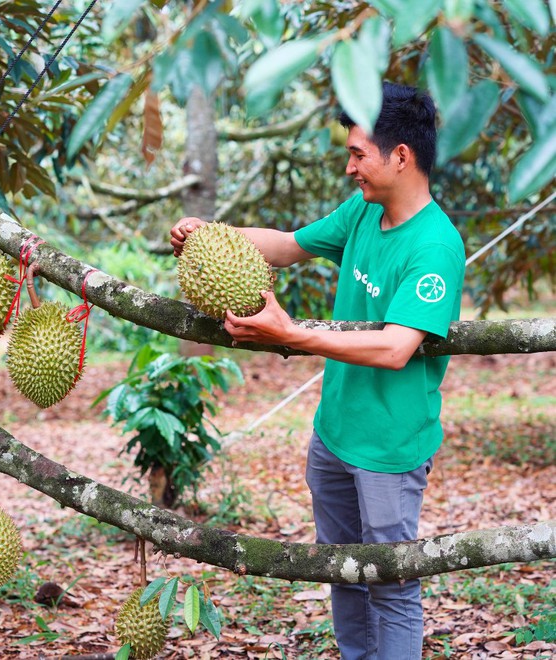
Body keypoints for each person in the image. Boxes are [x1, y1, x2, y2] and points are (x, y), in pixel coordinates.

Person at [170, 82, 465, 660]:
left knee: (391, 584)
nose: (350, 166)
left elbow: (395, 349)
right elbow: (284, 245)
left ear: (400, 156)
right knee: (345, 573)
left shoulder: (435, 247)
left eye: (358, 153)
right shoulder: (363, 210)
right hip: (333, 434)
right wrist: (211, 235)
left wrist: (289, 336)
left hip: (389, 449)